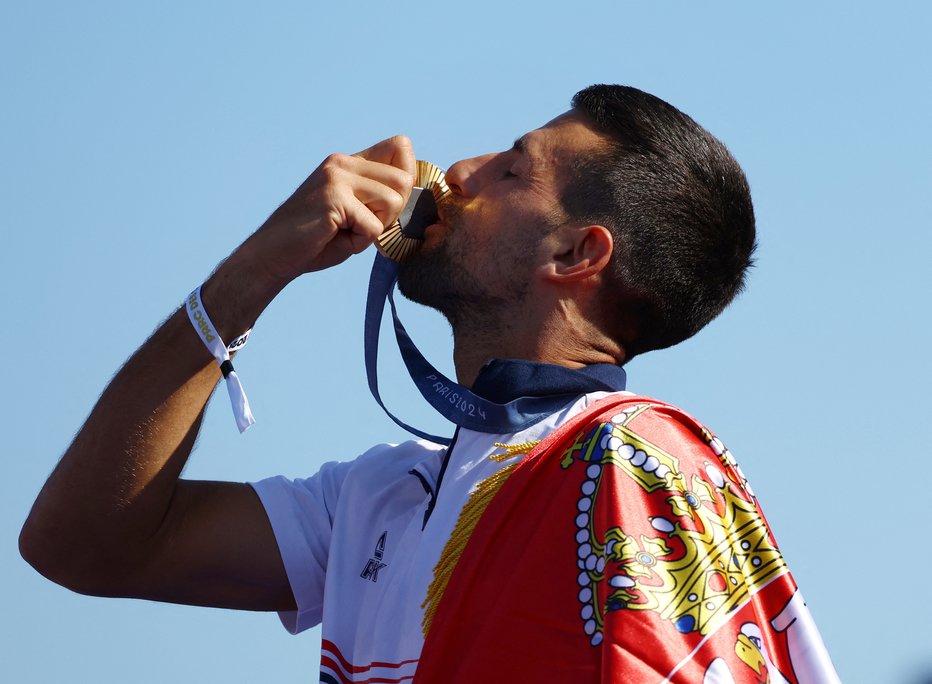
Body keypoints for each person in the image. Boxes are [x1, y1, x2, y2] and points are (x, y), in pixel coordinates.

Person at [20, 85, 839, 682]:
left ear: (575, 257)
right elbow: (83, 545)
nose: (463, 171)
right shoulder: (381, 497)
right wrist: (250, 275)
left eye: (513, 169)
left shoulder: (630, 456)